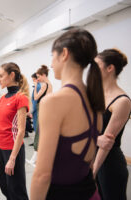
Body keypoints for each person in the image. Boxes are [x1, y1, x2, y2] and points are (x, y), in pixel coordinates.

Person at [30, 28, 105, 200]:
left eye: (52, 56)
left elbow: (42, 175)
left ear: (64, 53)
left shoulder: (53, 102)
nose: (50, 64)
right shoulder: (96, 101)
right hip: (90, 193)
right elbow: (89, 164)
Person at [93, 48, 130, 200]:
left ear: (110, 68)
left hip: (109, 165)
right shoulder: (97, 94)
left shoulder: (122, 101)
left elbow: (106, 143)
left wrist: (93, 171)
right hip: (93, 158)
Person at [0, 62, 30, 200]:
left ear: (11, 75)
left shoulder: (20, 98)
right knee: (5, 188)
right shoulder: (2, 98)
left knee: (17, 192)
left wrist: (12, 158)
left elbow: (21, 130)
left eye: (1, 76)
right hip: (0, 149)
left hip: (12, 150)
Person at [31, 65, 53, 165]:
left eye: (38, 76)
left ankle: (36, 154)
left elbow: (35, 97)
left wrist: (35, 86)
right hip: (46, 108)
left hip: (42, 108)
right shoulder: (50, 85)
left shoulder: (44, 85)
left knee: (39, 131)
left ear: (44, 75)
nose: (38, 79)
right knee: (42, 131)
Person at [29, 73, 41, 145]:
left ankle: (37, 142)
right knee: (35, 126)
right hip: (35, 109)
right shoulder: (36, 87)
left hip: (36, 110)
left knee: (36, 126)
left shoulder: (38, 87)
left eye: (34, 79)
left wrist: (32, 111)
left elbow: (35, 100)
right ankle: (36, 141)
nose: (33, 81)